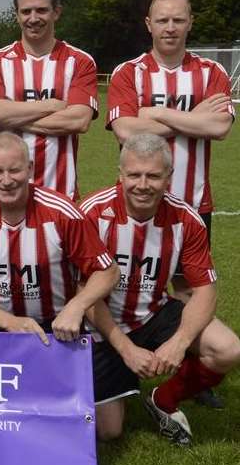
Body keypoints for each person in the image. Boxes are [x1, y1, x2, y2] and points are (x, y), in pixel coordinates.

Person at [106, 0, 234, 409]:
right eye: (162, 20)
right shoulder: (130, 72)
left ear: (190, 22)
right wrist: (193, 116)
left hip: (193, 204)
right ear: (149, 24)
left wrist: (154, 114)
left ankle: (185, 368)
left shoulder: (210, 70)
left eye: (178, 20)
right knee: (125, 283)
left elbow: (219, 129)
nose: (170, 28)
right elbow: (126, 131)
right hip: (139, 203)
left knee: (187, 291)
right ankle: (117, 355)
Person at [80, 133, 240, 444]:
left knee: (227, 349)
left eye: (153, 175)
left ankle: (163, 398)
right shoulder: (92, 213)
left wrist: (179, 342)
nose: (143, 184)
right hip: (100, 323)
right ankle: (111, 379)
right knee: (108, 431)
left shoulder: (186, 219)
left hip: (152, 312)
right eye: (134, 175)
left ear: (168, 177)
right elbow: (81, 293)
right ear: (120, 174)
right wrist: (126, 350)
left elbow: (205, 290)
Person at [0, 132, 118, 343]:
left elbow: (108, 271)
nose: (6, 181)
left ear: (30, 169)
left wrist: (76, 307)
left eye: (14, 170)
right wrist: (8, 321)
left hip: (56, 321)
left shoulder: (61, 213)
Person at [0, 0, 98, 200]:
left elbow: (78, 121)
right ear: (17, 14)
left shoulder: (80, 61)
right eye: (26, 12)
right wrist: (52, 105)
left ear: (56, 12)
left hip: (61, 195)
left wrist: (11, 116)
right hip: (7, 196)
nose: (33, 18)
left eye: (41, 10)